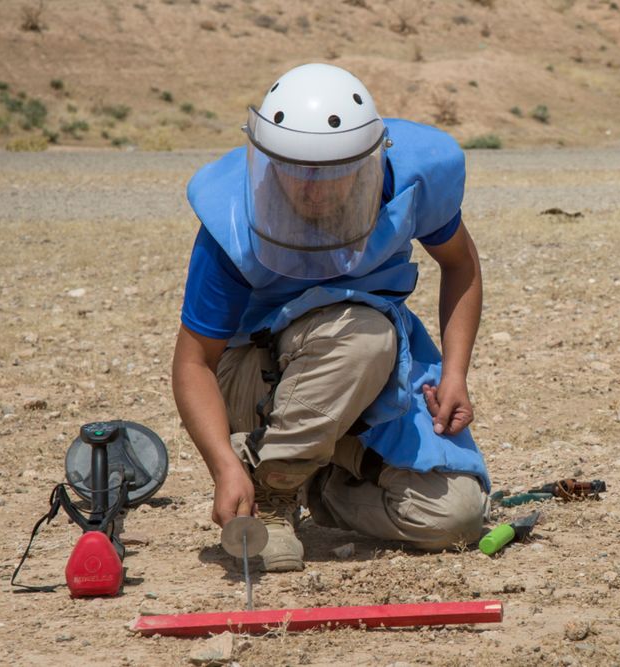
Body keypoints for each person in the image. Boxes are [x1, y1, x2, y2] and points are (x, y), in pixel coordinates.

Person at [172, 63, 490, 572]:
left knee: (454, 517)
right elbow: (193, 365)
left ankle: (319, 475)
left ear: (368, 161)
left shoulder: (415, 178)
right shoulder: (232, 220)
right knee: (365, 337)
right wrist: (224, 466)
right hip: (260, 377)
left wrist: (454, 373)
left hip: (365, 372)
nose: (311, 190)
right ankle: (273, 495)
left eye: (330, 176)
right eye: (294, 173)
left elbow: (460, 264)